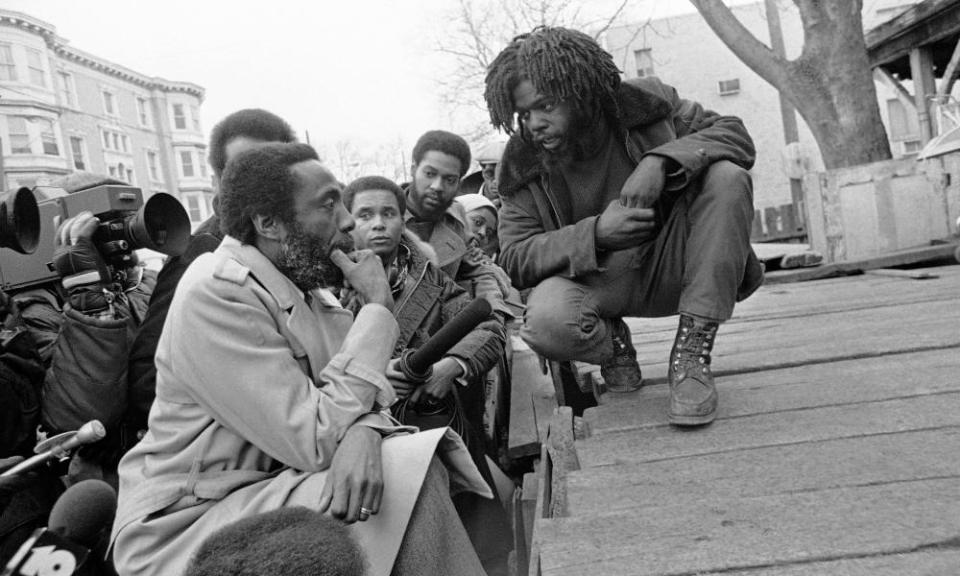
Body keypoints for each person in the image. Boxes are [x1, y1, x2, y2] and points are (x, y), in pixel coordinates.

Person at [110, 143, 489, 576]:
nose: (347, 220)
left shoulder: (307, 288)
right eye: (329, 204)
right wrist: (378, 307)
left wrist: (365, 430)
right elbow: (315, 437)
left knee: (406, 466)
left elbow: (359, 396)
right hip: (187, 521)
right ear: (268, 223)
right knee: (405, 478)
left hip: (268, 487)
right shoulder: (216, 291)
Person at [484, 26, 764, 425]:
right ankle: (612, 342)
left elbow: (734, 135)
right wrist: (596, 234)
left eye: (545, 106)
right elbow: (513, 258)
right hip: (598, 283)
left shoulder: (645, 104)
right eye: (524, 114)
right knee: (545, 322)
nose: (534, 124)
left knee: (728, 178)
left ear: (581, 91)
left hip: (677, 265)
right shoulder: (522, 163)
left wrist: (662, 160)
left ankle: (691, 352)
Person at [342, 176, 511, 576]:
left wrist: (448, 367)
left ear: (404, 220)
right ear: (348, 223)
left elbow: (487, 329)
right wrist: (376, 376)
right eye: (365, 215)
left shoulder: (429, 279)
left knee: (482, 540)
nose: (378, 224)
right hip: (363, 440)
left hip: (435, 423)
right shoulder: (325, 286)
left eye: (389, 214)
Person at [126, 109, 297, 444]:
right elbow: (151, 383)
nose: (259, 186)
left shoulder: (295, 249)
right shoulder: (202, 256)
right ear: (217, 184)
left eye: (273, 171)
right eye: (243, 172)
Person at [402, 130, 510, 320]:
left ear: (458, 183)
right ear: (413, 169)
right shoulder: (383, 215)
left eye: (449, 179)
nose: (437, 185)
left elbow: (477, 271)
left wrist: (495, 317)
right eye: (429, 173)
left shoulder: (456, 218)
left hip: (441, 328)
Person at [455, 193, 500, 260]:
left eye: (488, 233)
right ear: (457, 215)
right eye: (477, 222)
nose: (483, 233)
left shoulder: (481, 265)